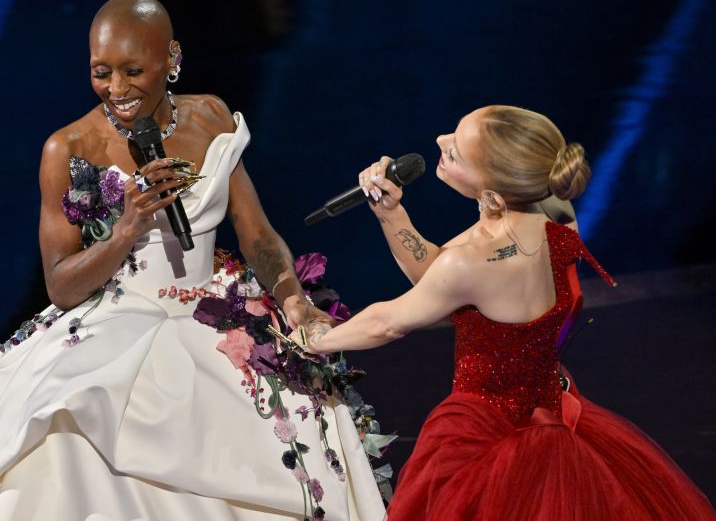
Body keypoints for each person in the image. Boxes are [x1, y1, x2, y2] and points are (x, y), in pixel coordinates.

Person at [0, 0, 385, 521]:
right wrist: (126, 229)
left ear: (171, 58)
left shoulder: (212, 117)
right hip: (116, 318)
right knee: (68, 414)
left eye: (133, 71)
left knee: (290, 421)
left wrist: (292, 298)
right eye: (101, 72)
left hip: (212, 311)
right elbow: (61, 287)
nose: (117, 89)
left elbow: (257, 235)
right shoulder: (69, 148)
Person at [303, 106, 716, 520]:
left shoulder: (471, 262)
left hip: (484, 432)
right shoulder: (556, 213)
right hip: (554, 411)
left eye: (455, 151)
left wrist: (312, 340)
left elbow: (387, 322)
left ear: (493, 196)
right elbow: (439, 279)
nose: (440, 141)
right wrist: (391, 214)